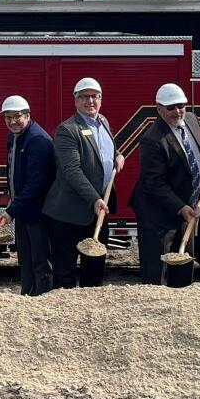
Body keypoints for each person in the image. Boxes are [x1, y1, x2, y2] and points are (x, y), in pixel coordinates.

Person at [42, 77, 125, 288]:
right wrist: (94, 198)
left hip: (98, 211)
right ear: (76, 101)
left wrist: (118, 155)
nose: (90, 101)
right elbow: (72, 171)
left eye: (94, 96)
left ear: (101, 99)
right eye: (84, 97)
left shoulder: (103, 122)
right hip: (68, 214)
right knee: (65, 273)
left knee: (95, 270)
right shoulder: (67, 130)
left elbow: (103, 151)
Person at [131, 83, 200, 287]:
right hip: (157, 214)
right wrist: (180, 207)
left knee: (184, 263)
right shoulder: (153, 139)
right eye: (171, 107)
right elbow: (154, 183)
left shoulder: (192, 120)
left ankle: (181, 306)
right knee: (156, 272)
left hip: (187, 205)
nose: (178, 111)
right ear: (158, 108)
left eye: (181, 105)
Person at [0, 95, 56, 296]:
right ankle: (27, 295)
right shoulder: (14, 137)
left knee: (40, 259)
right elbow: (13, 172)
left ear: (28, 115)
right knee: (25, 258)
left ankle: (43, 298)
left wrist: (11, 210)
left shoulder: (37, 140)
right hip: (24, 210)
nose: (13, 121)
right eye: (8, 117)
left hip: (38, 211)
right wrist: (13, 200)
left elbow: (36, 184)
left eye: (17, 116)